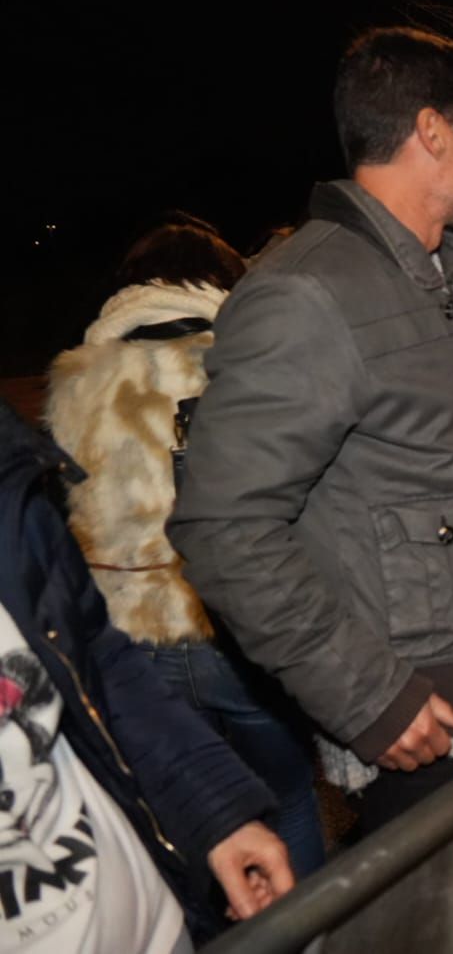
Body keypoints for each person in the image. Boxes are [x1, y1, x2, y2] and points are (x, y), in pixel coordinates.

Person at [167, 26, 453, 951]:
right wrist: (367, 698)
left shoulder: (447, 279)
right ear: (431, 131)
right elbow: (224, 525)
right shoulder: (307, 292)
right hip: (429, 726)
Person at [43, 215, 327, 884]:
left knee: (190, 819)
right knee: (286, 800)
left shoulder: (76, 379)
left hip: (134, 644)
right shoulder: (245, 363)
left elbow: (65, 513)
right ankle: (305, 925)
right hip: (241, 626)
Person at [2, 399, 294, 949]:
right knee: (292, 792)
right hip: (215, 634)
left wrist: (214, 810)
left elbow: (89, 650)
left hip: (153, 916)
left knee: (279, 805)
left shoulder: (36, 434)